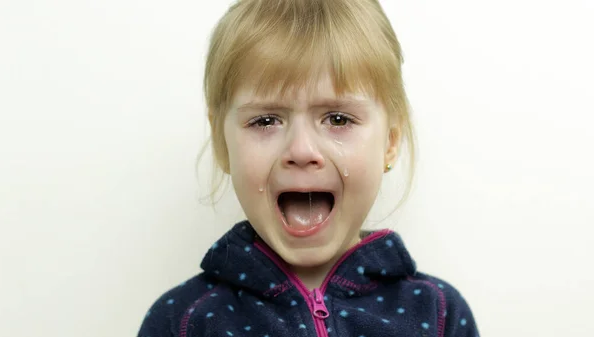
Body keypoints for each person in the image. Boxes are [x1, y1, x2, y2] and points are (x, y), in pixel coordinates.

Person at [138, 0, 479, 336]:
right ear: (222, 143)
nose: (301, 150)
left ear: (390, 140)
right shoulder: (183, 321)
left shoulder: (439, 315)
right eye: (266, 120)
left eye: (338, 118)